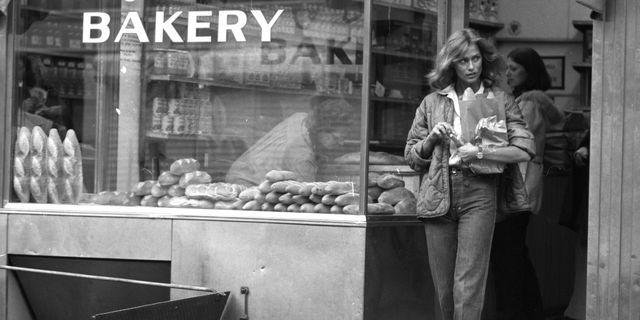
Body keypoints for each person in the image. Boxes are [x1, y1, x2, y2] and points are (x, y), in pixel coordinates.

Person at [404, 28, 535, 320]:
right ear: (451, 64)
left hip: (480, 190)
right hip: (439, 192)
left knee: (469, 284)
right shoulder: (432, 102)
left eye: (476, 58)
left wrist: (479, 153)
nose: (472, 66)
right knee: (445, 289)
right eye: (463, 61)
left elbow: (524, 150)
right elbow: (412, 157)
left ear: (484, 60)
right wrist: (431, 141)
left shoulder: (499, 98)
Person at [487, 47, 566, 320]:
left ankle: (516, 311)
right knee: (515, 252)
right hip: (522, 182)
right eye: (507, 68)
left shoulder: (530, 103)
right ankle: (529, 310)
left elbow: (519, 141)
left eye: (514, 69)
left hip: (520, 181)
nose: (508, 73)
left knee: (508, 252)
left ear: (529, 72)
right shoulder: (523, 99)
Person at [226, 97, 352, 186]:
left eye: (344, 137)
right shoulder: (301, 158)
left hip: (241, 170)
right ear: (321, 130)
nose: (341, 143)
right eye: (336, 138)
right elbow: (308, 195)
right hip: (246, 182)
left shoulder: (301, 118)